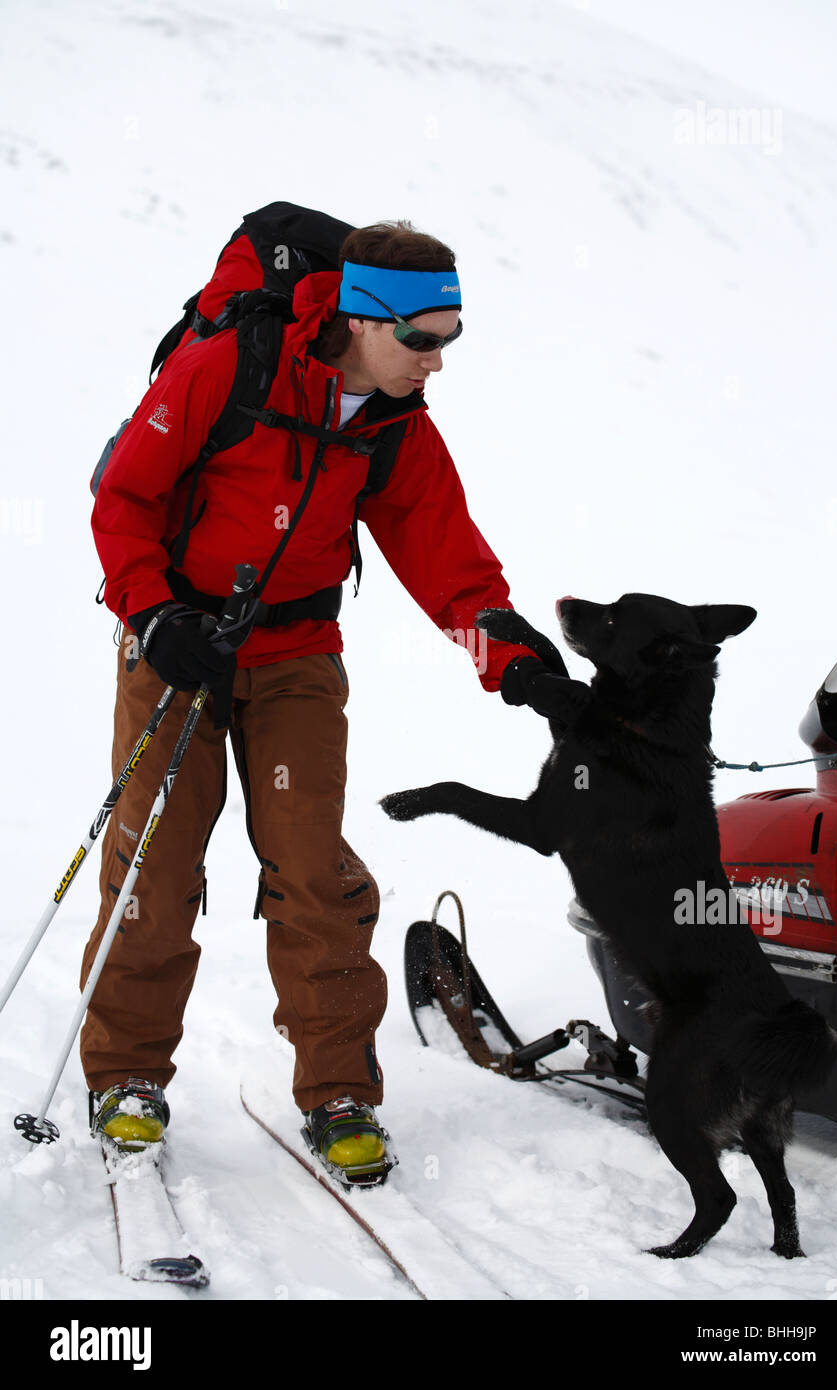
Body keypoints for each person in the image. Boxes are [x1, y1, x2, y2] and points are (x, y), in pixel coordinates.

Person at [82, 217, 565, 1183]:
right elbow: (123, 498)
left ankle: (340, 1089)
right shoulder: (229, 370)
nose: (438, 362)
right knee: (158, 856)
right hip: (178, 644)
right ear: (362, 318)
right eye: (422, 338)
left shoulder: (394, 425)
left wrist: (503, 652)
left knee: (315, 869)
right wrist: (156, 610)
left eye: (451, 338)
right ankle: (127, 1076)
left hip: (297, 651)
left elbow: (446, 558)